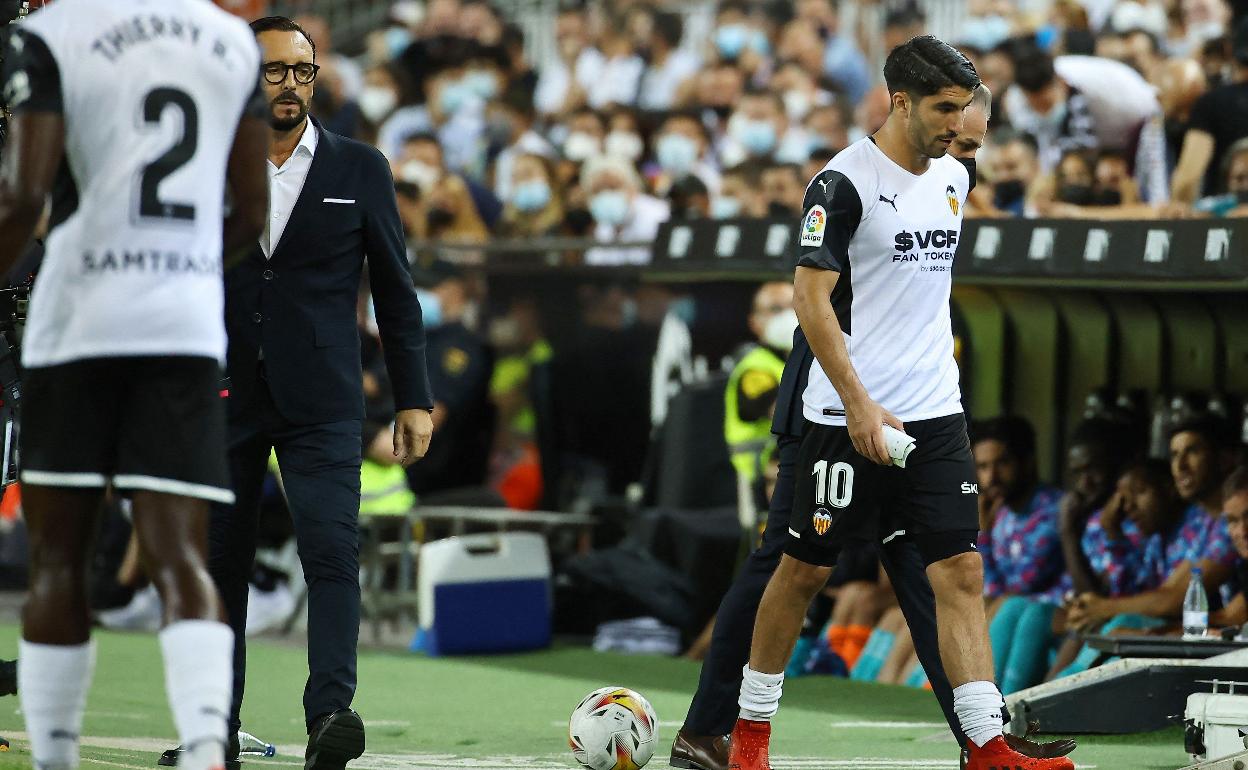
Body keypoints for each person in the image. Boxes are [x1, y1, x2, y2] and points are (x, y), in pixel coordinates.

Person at [671, 39, 1073, 770]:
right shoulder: (842, 184)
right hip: (842, 412)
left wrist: (970, 119)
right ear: (899, 103)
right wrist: (858, 403)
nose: (961, 122)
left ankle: (984, 742)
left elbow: (974, 140)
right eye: (945, 109)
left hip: (934, 410)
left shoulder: (956, 170)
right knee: (795, 569)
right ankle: (733, 733)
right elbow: (809, 298)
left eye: (966, 108)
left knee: (953, 571)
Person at [0, 1, 269, 769]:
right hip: (181, 327)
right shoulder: (228, 41)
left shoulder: (47, 35)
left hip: (76, 325)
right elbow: (251, 210)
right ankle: (209, 748)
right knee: (182, 557)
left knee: (57, 558)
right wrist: (176, 273)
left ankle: (56, 758)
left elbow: (22, 196)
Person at [162, 16, 435, 770]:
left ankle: (331, 717)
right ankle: (212, 730)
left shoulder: (360, 167)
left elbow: (396, 290)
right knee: (218, 564)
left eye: (302, 72)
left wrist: (414, 398)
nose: (289, 85)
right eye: (273, 71)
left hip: (324, 396)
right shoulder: (200, 160)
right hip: (220, 390)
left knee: (331, 552)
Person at [725, 282, 795, 500]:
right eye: (776, 309)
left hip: (791, 470)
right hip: (760, 480)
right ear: (754, 323)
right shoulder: (755, 367)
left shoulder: (797, 361)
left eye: (794, 306)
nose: (788, 315)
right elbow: (787, 414)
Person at [1171, 17, 1248, 202]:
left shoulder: (1211, 103)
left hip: (1226, 222)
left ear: (1230, 51)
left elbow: (1189, 177)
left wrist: (1178, 208)